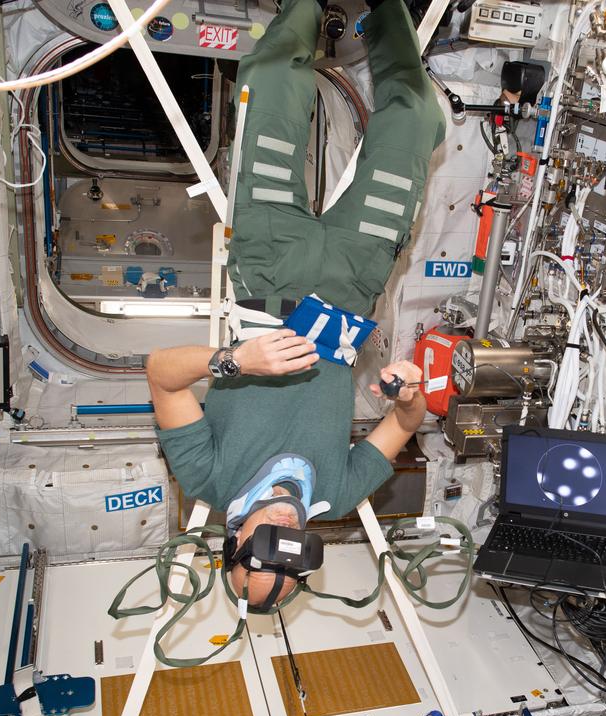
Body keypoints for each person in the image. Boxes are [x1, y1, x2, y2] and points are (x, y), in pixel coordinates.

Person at [145, 0, 446, 611]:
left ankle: (304, 7)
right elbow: (403, 427)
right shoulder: (335, 494)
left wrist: (237, 362)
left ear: (233, 538)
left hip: (268, 270)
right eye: (297, 545)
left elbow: (161, 376)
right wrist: (411, 394)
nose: (288, 527)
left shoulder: (207, 477)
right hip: (356, 279)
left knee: (276, 82)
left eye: (267, 543)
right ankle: (386, 14)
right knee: (416, 119)